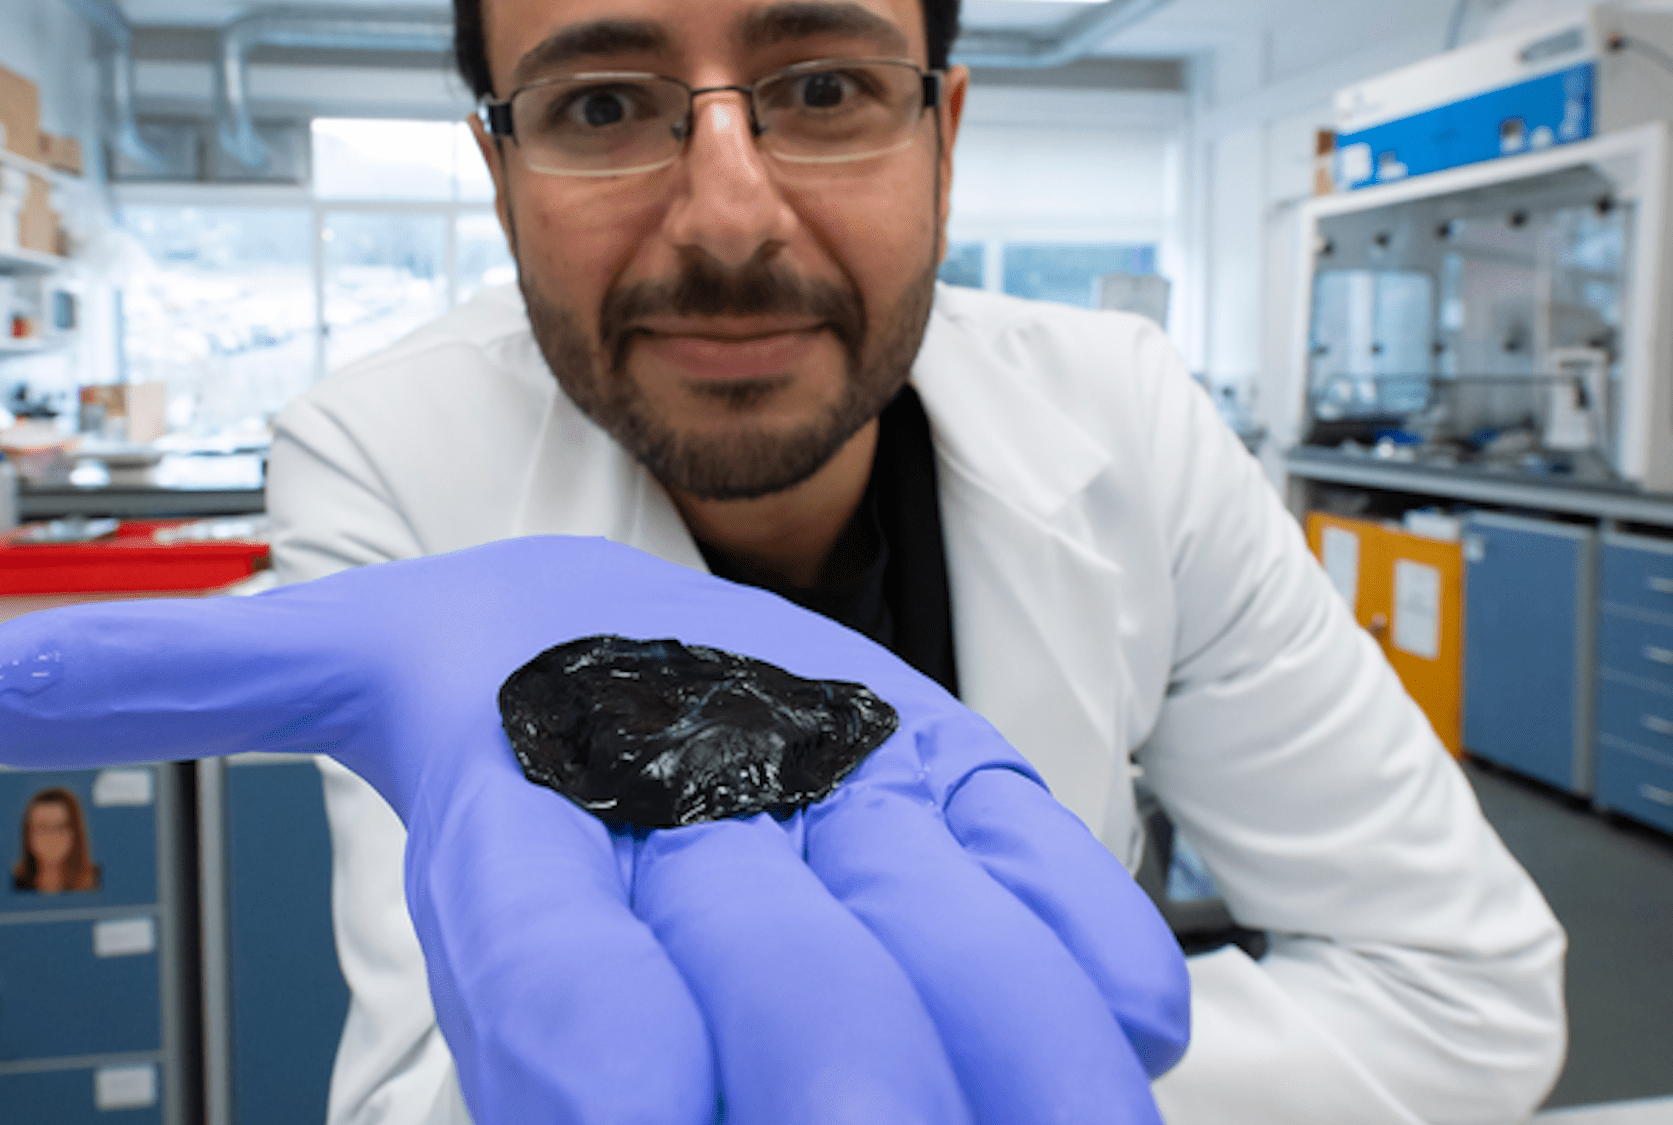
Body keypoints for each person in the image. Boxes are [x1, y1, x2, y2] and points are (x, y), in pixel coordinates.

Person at [263, 0, 1568, 1122]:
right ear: (500, 177)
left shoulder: (1126, 417)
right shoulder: (388, 458)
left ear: (942, 138)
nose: (727, 220)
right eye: (601, 104)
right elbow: (424, 1090)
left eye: (825, 88)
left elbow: (1461, 995)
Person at [12, 786, 101, 894]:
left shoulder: (95, 881)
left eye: (60, 827)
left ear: (75, 833)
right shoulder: (15, 881)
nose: (51, 836)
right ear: (28, 834)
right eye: (42, 827)